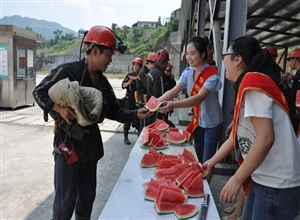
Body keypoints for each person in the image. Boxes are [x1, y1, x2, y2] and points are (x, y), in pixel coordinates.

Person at [32, 25, 151, 220]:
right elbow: (39, 91)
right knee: (65, 203)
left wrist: (137, 114)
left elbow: (114, 110)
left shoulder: (103, 82)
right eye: (108, 55)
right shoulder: (67, 71)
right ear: (95, 51)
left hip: (90, 149)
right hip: (68, 145)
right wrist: (59, 108)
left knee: (86, 200)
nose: (110, 61)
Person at [202, 36, 300, 219]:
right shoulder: (248, 85)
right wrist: (211, 162)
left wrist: (236, 179)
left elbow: (265, 138)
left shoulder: (253, 84)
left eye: (226, 55)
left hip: (277, 186)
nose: (223, 60)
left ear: (237, 59)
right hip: (264, 180)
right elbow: (234, 138)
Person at [157, 36, 223, 182]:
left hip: (212, 123)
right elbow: (173, 92)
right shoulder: (188, 73)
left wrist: (173, 104)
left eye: (192, 54)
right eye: (187, 53)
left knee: (207, 162)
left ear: (203, 54)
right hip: (198, 122)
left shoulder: (212, 76)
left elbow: (198, 98)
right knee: (196, 156)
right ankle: (195, 183)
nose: (189, 57)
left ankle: (205, 192)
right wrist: (155, 102)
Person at [121, 57, 143, 144]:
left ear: (141, 67)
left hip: (138, 100)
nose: (136, 67)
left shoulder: (142, 76)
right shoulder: (130, 75)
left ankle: (139, 135)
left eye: (138, 65)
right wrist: (129, 82)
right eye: (135, 65)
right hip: (129, 99)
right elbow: (123, 85)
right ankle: (125, 137)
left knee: (138, 118)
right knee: (127, 118)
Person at [146, 49, 171, 125]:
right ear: (165, 62)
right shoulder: (159, 75)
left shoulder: (152, 71)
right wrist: (163, 114)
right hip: (157, 112)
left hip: (152, 107)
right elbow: (161, 96)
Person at [136, 52, 156, 134]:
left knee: (148, 124)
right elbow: (149, 87)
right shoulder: (143, 73)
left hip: (147, 101)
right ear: (150, 63)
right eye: (155, 65)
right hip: (143, 101)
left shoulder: (148, 72)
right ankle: (140, 142)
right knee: (143, 125)